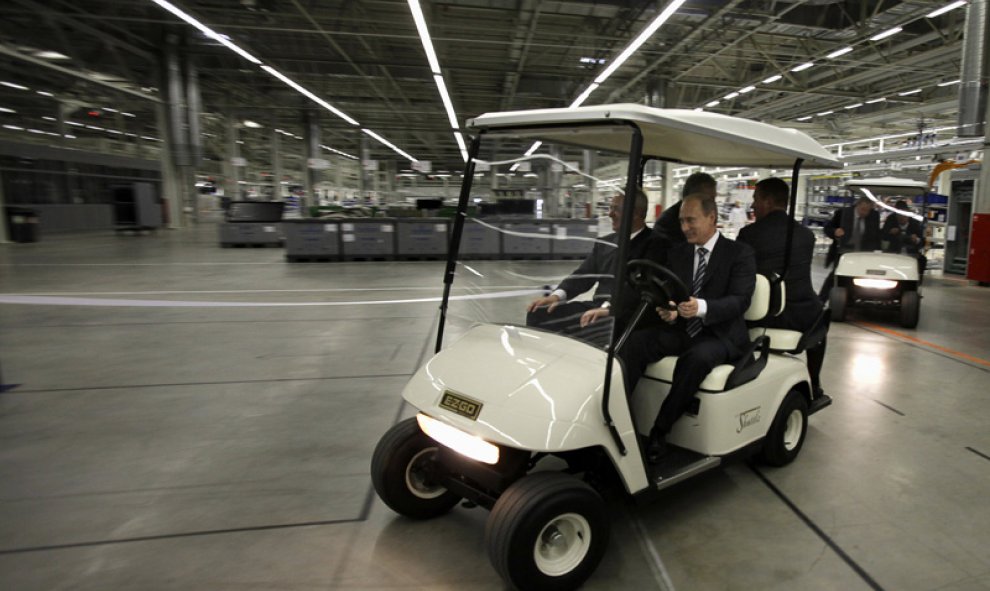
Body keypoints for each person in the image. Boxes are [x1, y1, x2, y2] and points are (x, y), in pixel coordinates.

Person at [620, 193, 755, 461]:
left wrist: (701, 307)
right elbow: (671, 292)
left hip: (720, 334)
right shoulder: (678, 252)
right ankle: (618, 415)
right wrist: (669, 310)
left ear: (711, 218)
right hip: (683, 329)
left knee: (696, 359)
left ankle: (660, 430)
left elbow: (740, 300)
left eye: (691, 220)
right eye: (681, 221)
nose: (684, 228)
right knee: (635, 342)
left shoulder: (739, 253)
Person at [527, 190, 667, 346]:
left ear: (636, 214)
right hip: (597, 307)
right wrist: (556, 296)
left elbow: (642, 288)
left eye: (616, 209)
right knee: (538, 314)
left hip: (626, 312)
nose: (610, 214)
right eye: (610, 208)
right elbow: (583, 275)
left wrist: (611, 308)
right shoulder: (604, 244)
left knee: (597, 323)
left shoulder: (656, 244)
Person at [737, 177, 827, 396]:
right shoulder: (806, 236)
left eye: (756, 198)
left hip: (764, 315)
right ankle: (814, 381)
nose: (753, 205)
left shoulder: (749, 235)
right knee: (822, 325)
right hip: (802, 315)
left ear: (768, 201)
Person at [818, 195, 881, 300]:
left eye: (867, 211)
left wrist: (878, 252)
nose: (864, 213)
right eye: (862, 210)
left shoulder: (874, 216)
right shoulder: (842, 213)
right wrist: (835, 232)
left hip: (863, 253)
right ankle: (821, 301)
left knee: (859, 278)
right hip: (844, 252)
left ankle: (852, 300)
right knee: (834, 277)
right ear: (857, 205)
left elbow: (876, 235)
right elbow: (828, 228)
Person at [652, 172, 717, 244]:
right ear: (691, 196)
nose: (713, 203)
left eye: (713, 199)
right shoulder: (666, 224)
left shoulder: (707, 214)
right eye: (709, 199)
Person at [882, 199, 927, 279]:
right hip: (894, 251)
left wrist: (916, 240)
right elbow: (882, 235)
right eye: (899, 215)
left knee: (922, 260)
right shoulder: (890, 221)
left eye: (904, 215)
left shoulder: (915, 223)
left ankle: (917, 281)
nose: (901, 218)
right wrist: (890, 232)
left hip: (911, 253)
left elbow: (922, 242)